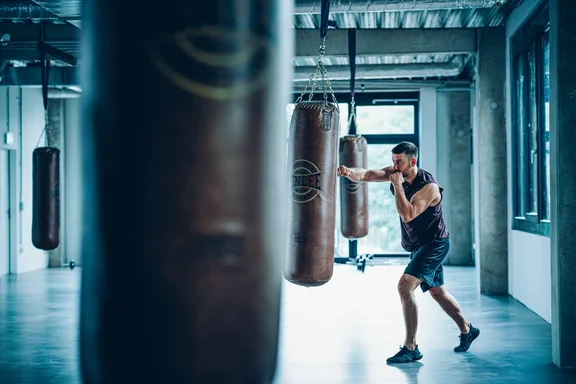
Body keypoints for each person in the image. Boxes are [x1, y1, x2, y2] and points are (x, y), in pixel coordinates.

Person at [337, 141, 480, 364]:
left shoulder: (428, 187)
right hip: (419, 245)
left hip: (435, 244)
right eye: (394, 161)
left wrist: (398, 186)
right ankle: (467, 330)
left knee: (405, 286)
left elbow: (408, 215)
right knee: (437, 292)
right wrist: (348, 172)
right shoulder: (397, 173)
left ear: (412, 162)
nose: (395, 166)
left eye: (399, 162)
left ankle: (410, 347)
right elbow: (366, 174)